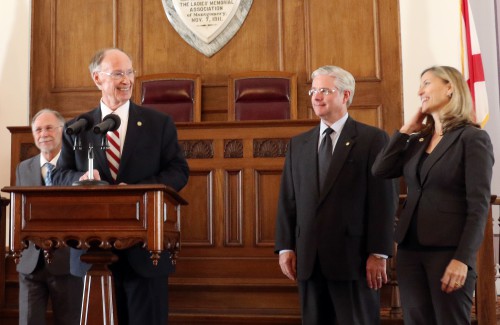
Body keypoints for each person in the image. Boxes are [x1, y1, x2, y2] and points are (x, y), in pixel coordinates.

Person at [52, 48, 189, 325]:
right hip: (91, 253)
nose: (126, 80)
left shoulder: (158, 123)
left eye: (129, 73)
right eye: (117, 74)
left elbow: (178, 171)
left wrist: (137, 190)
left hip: (145, 251)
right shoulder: (79, 126)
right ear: (97, 78)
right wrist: (79, 180)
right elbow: (58, 175)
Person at [274, 65, 397, 324]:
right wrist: (285, 246)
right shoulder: (299, 144)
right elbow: (288, 199)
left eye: (325, 90)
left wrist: (379, 252)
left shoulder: (372, 139)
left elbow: (383, 201)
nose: (316, 96)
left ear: (345, 95)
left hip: (354, 261)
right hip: (309, 261)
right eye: (314, 90)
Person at [372, 65, 494, 324]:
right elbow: (381, 170)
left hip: (449, 252)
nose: (420, 91)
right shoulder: (418, 140)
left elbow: (479, 206)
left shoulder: (472, 138)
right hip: (410, 251)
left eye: (426, 83)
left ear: (450, 87)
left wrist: (463, 259)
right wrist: (406, 129)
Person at [16, 108, 89, 325]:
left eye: (49, 128)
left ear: (63, 131)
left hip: (68, 263)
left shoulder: (79, 167)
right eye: (38, 129)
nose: (43, 134)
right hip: (31, 264)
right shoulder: (24, 168)